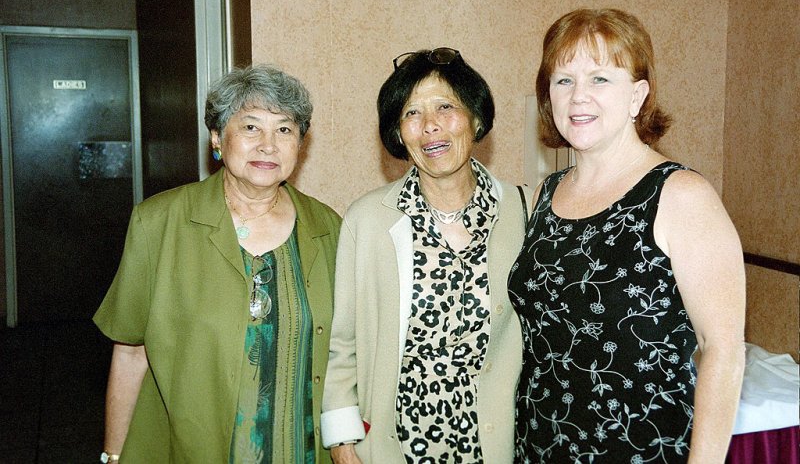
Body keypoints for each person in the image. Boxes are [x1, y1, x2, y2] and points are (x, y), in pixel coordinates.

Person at [508, 8, 746, 463]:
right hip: (540, 446)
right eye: (563, 81)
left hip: (641, 450)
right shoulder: (543, 194)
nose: (579, 97)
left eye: (599, 79)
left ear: (637, 96)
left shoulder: (680, 195)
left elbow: (724, 352)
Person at [94, 65, 341, 463]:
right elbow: (130, 353)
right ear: (217, 138)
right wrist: (113, 456)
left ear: (300, 144)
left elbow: (343, 354)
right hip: (192, 450)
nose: (268, 145)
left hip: (302, 450)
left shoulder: (328, 228)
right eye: (250, 128)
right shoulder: (159, 222)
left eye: (284, 130)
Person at [321, 48, 531, 464]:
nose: (430, 126)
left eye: (445, 107)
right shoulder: (367, 220)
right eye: (412, 114)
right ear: (399, 134)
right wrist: (343, 444)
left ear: (476, 119)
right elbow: (341, 342)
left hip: (494, 446)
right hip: (393, 447)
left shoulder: (522, 211)